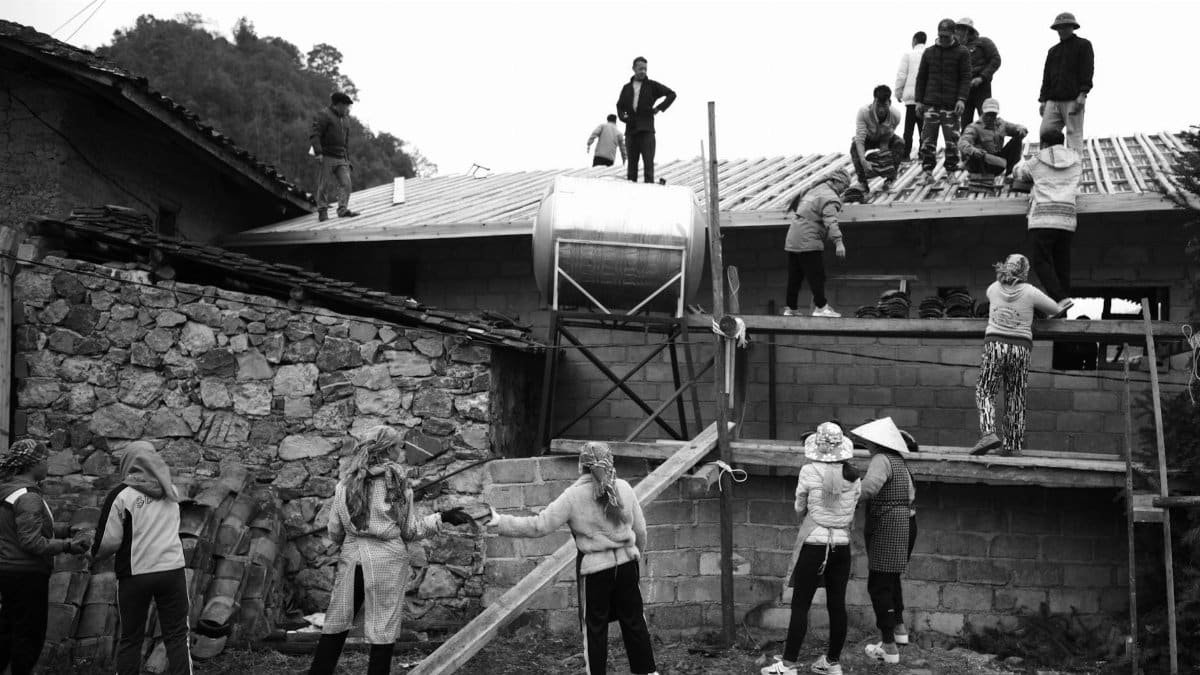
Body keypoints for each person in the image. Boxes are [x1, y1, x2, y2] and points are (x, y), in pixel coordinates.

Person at [308, 426, 474, 675]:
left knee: (337, 621)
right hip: (387, 561)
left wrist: (355, 539)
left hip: (353, 560)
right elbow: (410, 530)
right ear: (387, 450)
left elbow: (334, 531)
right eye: (398, 446)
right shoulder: (396, 485)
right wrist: (442, 518)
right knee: (383, 627)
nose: (402, 450)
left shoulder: (345, 485)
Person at [488, 442, 659, 675]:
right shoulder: (625, 488)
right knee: (635, 622)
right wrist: (635, 557)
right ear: (610, 461)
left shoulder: (573, 496)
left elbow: (539, 526)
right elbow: (641, 531)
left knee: (595, 630)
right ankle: (648, 672)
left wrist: (500, 521)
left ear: (582, 466)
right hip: (627, 566)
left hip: (596, 572)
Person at [762, 423, 861, 675]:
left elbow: (799, 506)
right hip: (842, 545)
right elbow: (853, 509)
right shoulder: (854, 476)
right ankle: (832, 662)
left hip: (815, 544)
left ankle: (788, 664)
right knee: (837, 605)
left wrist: (812, 515)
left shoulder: (808, 470)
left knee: (801, 604)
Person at [92, 442, 191, 675]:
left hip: (135, 575)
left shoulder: (121, 495)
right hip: (172, 572)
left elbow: (109, 541)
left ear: (128, 462)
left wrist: (92, 555)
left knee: (131, 638)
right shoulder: (171, 490)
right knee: (177, 636)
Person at [0, 439, 89, 675]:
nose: (48, 464)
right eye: (45, 459)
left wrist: (64, 530)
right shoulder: (27, 496)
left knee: (8, 631)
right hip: (26, 574)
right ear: (33, 464)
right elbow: (31, 541)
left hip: (9, 571)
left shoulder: (9, 492)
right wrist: (68, 546)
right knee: (29, 636)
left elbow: (24, 528)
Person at [971, 255, 1071, 456]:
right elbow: (1055, 309)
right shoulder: (1031, 292)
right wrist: (1061, 306)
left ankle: (988, 433)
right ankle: (1012, 445)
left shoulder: (992, 289)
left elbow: (998, 298)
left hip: (995, 346)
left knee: (985, 391)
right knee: (1016, 396)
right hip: (1021, 348)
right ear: (1025, 271)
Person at [849, 418, 915, 665]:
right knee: (891, 578)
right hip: (905, 522)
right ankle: (899, 631)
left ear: (877, 442)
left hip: (889, 524)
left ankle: (888, 647)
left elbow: (868, 489)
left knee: (879, 585)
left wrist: (846, 493)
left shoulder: (881, 459)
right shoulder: (898, 460)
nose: (866, 444)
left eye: (868, 440)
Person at [1013, 129, 1083, 302]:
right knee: (1062, 265)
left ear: (1043, 143)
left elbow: (1020, 173)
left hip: (1043, 220)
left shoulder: (1037, 160)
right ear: (1062, 142)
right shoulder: (1075, 160)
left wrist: (1019, 165)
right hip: (1067, 220)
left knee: (1041, 262)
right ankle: (1063, 304)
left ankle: (1060, 299)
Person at [782, 168, 850, 318]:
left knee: (795, 276)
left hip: (793, 237)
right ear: (836, 181)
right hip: (808, 239)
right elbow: (830, 221)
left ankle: (790, 308)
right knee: (817, 276)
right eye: (844, 186)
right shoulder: (830, 197)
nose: (844, 190)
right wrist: (839, 242)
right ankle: (821, 307)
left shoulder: (814, 189)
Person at [914, 18, 971, 184]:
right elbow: (921, 78)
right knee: (927, 141)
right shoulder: (929, 52)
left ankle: (951, 172)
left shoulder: (962, 52)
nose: (943, 38)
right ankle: (927, 173)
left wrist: (961, 99)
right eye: (941, 35)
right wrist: (918, 101)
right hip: (930, 103)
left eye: (947, 36)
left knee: (952, 141)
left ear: (954, 34)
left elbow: (966, 78)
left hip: (951, 105)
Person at [616, 57, 677, 184]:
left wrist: (659, 108)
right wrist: (624, 117)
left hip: (647, 130)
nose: (643, 71)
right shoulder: (626, 88)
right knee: (631, 168)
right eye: (640, 69)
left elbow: (672, 94)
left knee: (648, 165)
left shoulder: (652, 86)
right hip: (631, 131)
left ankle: (650, 192)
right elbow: (620, 106)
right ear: (634, 69)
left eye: (645, 69)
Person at [1039, 12, 1094, 151]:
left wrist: (1082, 94)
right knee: (1046, 132)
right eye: (1059, 27)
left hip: (1073, 98)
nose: (1061, 30)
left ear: (1072, 27)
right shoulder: (1053, 51)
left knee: (1073, 135)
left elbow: (1087, 70)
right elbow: (1046, 77)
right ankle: (1048, 162)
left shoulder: (1083, 45)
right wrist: (1043, 100)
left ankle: (1074, 165)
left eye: (1064, 26)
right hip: (1053, 100)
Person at [310, 92, 359, 221]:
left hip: (341, 157)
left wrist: (347, 160)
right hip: (326, 156)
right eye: (346, 106)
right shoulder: (324, 115)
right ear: (338, 105)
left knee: (346, 183)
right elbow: (315, 135)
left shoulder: (346, 120)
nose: (347, 109)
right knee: (324, 185)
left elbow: (345, 143)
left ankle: (342, 210)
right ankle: (322, 211)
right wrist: (318, 153)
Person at [850, 85, 904, 194]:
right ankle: (862, 183)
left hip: (884, 137)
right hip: (868, 138)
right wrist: (863, 161)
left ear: (890, 103)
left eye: (884, 106)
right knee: (855, 146)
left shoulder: (896, 115)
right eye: (878, 105)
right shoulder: (863, 112)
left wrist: (884, 159)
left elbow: (887, 137)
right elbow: (860, 139)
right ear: (874, 101)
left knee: (900, 143)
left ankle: (890, 180)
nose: (881, 110)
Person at [957, 98, 1028, 180]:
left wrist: (1022, 129)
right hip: (982, 163)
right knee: (976, 156)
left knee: (1017, 139)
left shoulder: (1001, 124)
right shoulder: (974, 127)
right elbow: (962, 143)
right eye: (988, 114)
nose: (991, 117)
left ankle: (1010, 173)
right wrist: (973, 151)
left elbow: (1016, 128)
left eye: (993, 114)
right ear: (983, 112)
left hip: (998, 162)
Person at [954, 18, 1002, 129]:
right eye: (957, 29)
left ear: (967, 30)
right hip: (965, 92)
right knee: (965, 125)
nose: (957, 32)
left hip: (982, 89)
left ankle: (989, 140)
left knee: (986, 121)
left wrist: (981, 77)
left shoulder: (984, 42)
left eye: (960, 29)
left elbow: (996, 60)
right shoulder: (958, 49)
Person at [894, 31, 927, 160]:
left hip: (911, 98)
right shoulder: (929, 54)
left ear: (914, 40)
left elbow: (901, 74)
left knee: (909, 129)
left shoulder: (908, 55)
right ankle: (923, 154)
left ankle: (906, 154)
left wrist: (898, 92)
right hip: (925, 98)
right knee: (923, 128)